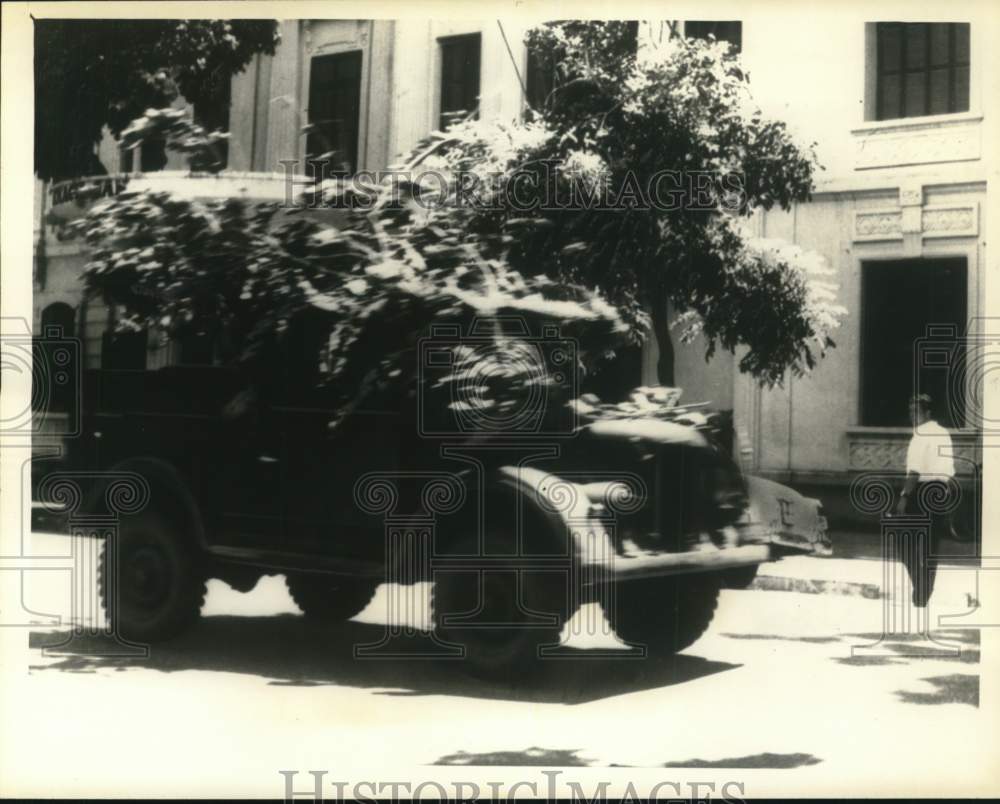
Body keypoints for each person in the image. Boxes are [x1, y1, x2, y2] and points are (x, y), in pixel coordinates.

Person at [895, 394, 957, 607]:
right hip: (941, 491)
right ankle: (924, 590)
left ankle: (922, 587)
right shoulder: (943, 433)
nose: (912, 415)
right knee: (931, 544)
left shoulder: (921, 434)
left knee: (904, 542)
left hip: (921, 491)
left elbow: (914, 471)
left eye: (916, 411)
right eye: (910, 411)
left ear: (928, 412)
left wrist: (904, 497)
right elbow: (949, 469)